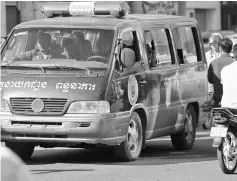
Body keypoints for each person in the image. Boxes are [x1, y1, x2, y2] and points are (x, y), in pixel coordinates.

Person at [208, 38, 235, 107]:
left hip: (218, 100)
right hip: (233, 100)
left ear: (220, 48)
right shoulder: (234, 62)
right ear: (231, 49)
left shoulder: (213, 63)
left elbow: (210, 80)